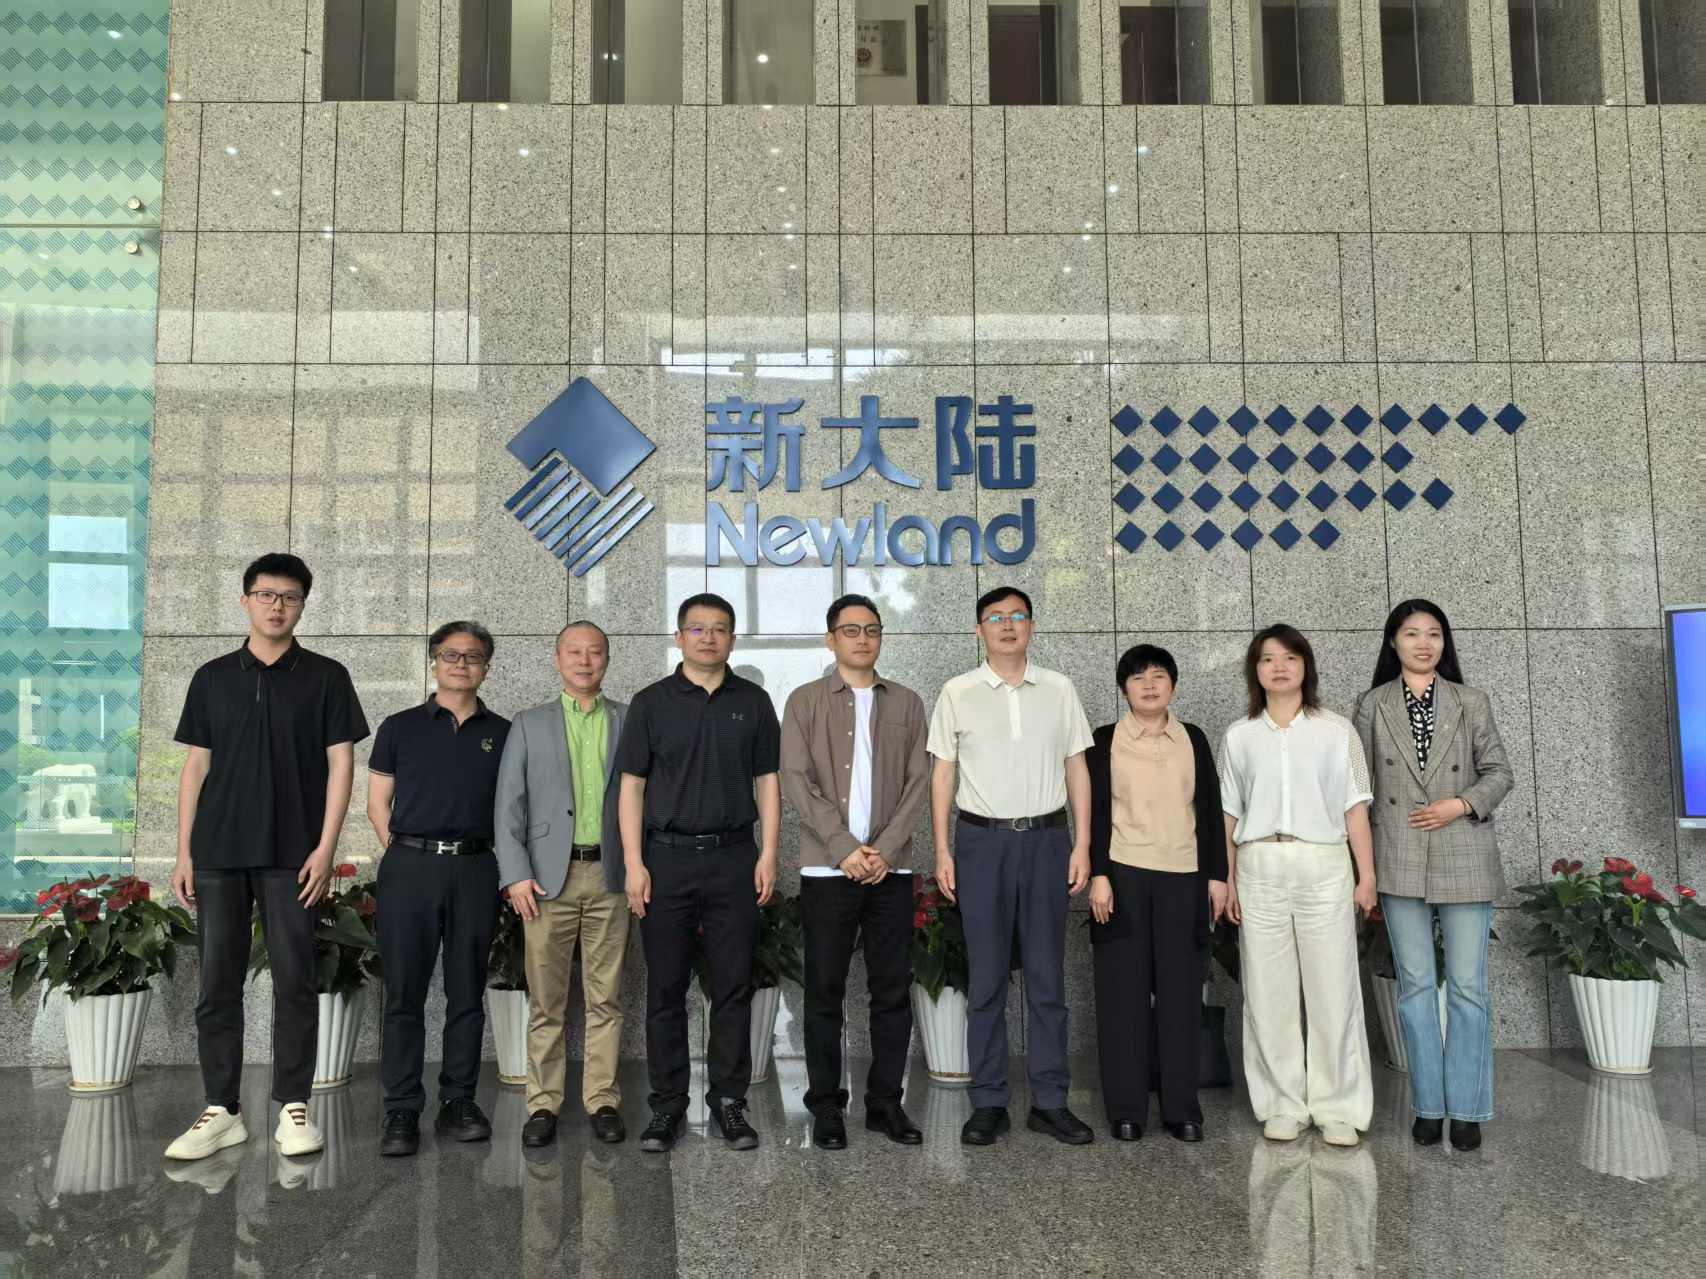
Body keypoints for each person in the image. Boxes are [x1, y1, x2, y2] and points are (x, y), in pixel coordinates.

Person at [165, 553, 368, 1161]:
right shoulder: (212, 677)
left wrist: (326, 847)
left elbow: (341, 764)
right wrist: (184, 851)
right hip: (219, 852)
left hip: (293, 854)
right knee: (217, 982)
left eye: (289, 597)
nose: (277, 606)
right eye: (266, 595)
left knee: (295, 980)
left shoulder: (327, 676)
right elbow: (195, 766)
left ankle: (293, 1107)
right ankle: (221, 1109)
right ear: (246, 601)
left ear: (303, 605)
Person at [928, 586, 1095, 1147]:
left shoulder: (1059, 689)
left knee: (1047, 977)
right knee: (987, 979)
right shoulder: (958, 692)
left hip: (1047, 840)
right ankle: (988, 1101)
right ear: (979, 630)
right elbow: (943, 775)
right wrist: (943, 849)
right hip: (982, 843)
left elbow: (1077, 767)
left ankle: (1050, 1100)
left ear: (1031, 626)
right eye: (995, 617)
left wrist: (1082, 844)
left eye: (1017, 616)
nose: (1007, 625)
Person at [618, 593, 781, 1153]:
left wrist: (768, 853)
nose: (708, 637)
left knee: (732, 985)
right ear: (679, 637)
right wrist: (635, 863)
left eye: (719, 629)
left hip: (734, 858)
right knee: (665, 988)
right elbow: (632, 786)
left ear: (732, 638)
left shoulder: (754, 702)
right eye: (697, 628)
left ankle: (729, 1102)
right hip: (665, 860)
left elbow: (768, 781)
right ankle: (667, 1107)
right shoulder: (651, 703)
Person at [1352, 600, 1513, 1152]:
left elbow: (1500, 771)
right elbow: (1359, 787)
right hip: (1398, 854)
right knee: (1416, 987)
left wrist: (1461, 804)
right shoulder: (1372, 704)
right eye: (1412, 633)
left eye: (1434, 634)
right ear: (1393, 642)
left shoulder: (1470, 701)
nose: (1424, 643)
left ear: (1445, 643)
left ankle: (1466, 1109)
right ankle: (1427, 1105)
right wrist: (1361, 867)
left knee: (1468, 987)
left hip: (1464, 850)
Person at [781, 594, 930, 1151]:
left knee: (891, 991)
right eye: (850, 630)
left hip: (891, 871)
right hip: (828, 871)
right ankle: (825, 1106)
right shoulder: (804, 701)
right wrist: (844, 848)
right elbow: (796, 779)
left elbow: (919, 781)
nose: (862, 639)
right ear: (831, 639)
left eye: (871, 629)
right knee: (824, 991)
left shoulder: (908, 702)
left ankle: (885, 1104)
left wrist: (885, 851)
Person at [1220, 624, 1374, 1147]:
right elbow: (1228, 813)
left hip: (1323, 864)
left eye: (1290, 657)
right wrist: (1228, 879)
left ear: (1306, 666)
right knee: (1268, 992)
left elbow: (1355, 807)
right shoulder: (1239, 735)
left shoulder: (1337, 731)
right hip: (1259, 865)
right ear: (1255, 670)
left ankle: (1338, 1106)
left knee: (1333, 988)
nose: (1279, 667)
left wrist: (1367, 876)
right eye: (1268, 659)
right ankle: (1281, 1103)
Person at [368, 622, 509, 1157]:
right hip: (411, 867)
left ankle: (458, 1101)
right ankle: (401, 1108)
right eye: (451, 655)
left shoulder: (504, 732)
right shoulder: (399, 727)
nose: (461, 664)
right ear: (433, 662)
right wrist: (406, 851)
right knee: (404, 992)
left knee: (466, 990)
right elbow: (377, 803)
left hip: (475, 868)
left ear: (486, 668)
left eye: (473, 657)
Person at [495, 621, 632, 1149]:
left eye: (594, 652)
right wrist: (515, 874)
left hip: (612, 875)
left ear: (607, 659)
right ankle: (543, 1104)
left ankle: (602, 1100)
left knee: (606, 998)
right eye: (574, 652)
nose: (584, 660)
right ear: (557, 659)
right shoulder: (530, 724)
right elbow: (509, 805)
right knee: (546, 1000)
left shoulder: (628, 720)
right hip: (546, 880)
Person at [1086, 644, 1229, 1143]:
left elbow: (1208, 808)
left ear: (1173, 684)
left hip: (1183, 878)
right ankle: (1126, 1110)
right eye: (1138, 677)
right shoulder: (1104, 741)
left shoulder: (1194, 738)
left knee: (1181, 996)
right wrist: (1098, 874)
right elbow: (1093, 812)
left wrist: (1217, 876)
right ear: (1123, 687)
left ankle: (1182, 1108)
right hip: (1122, 877)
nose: (1149, 685)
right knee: (1121, 997)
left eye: (1159, 676)